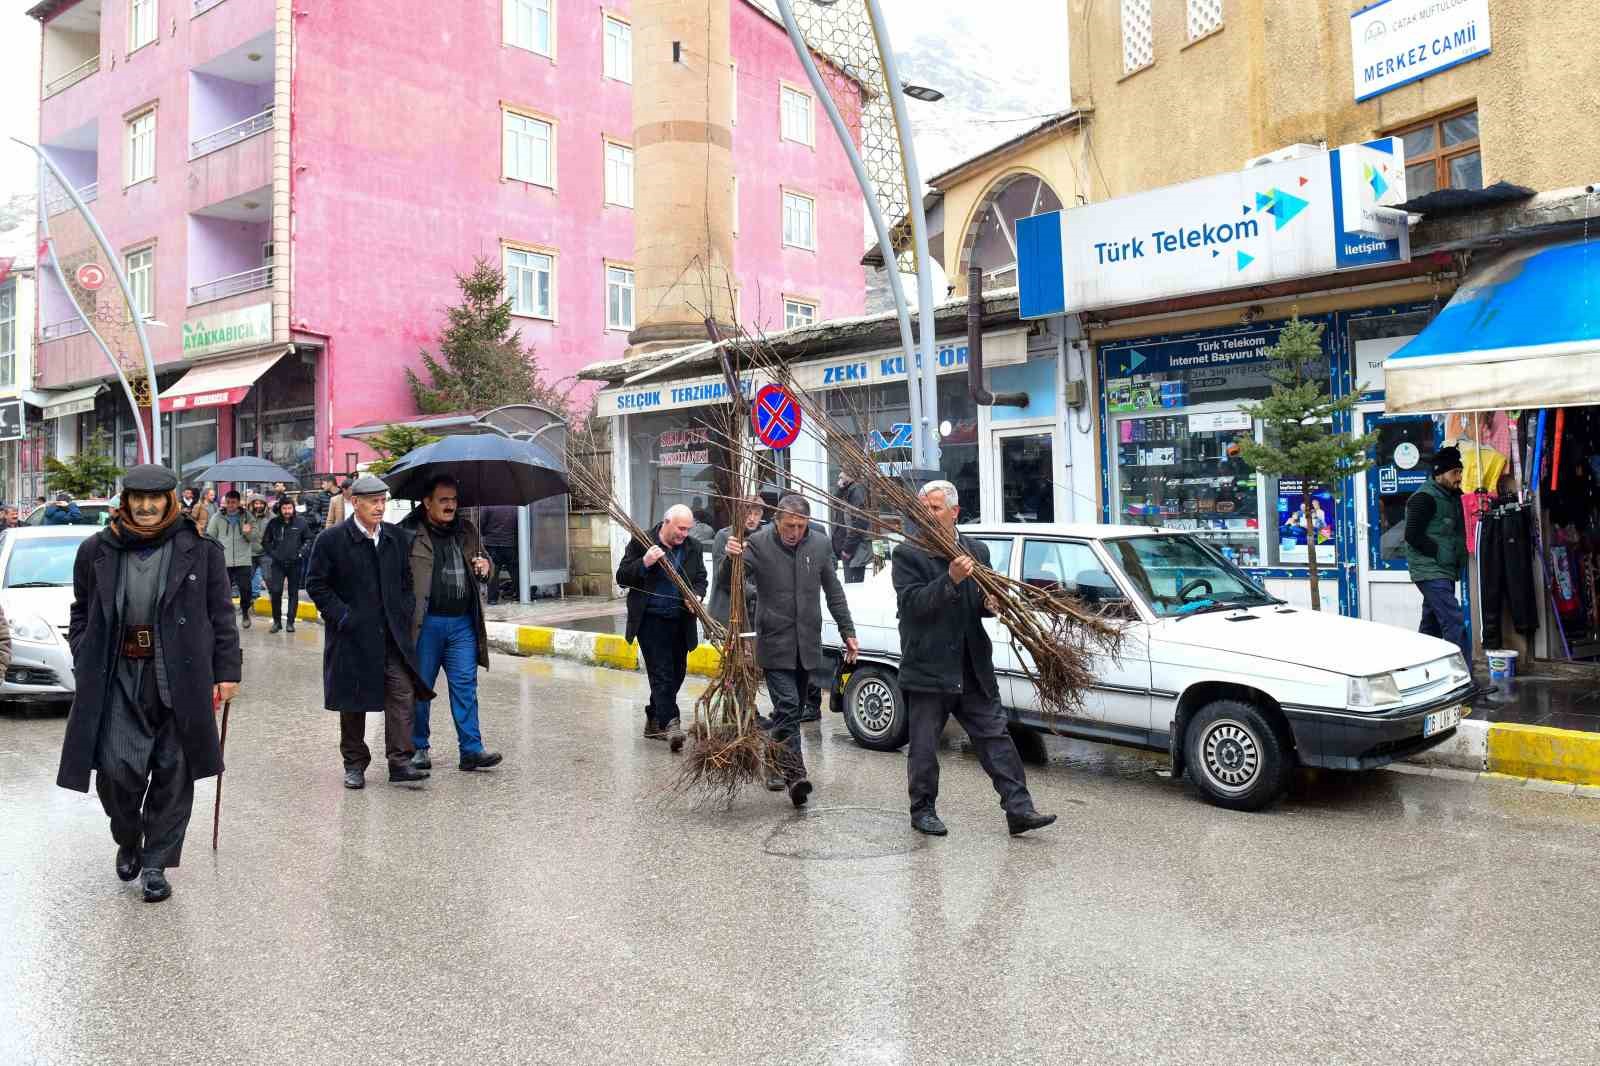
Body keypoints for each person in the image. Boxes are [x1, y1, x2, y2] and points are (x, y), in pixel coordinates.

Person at [56, 465, 241, 903]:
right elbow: (81, 610)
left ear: (169, 500)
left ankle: (156, 863)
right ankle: (128, 835)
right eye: (136, 497)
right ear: (125, 501)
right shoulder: (96, 550)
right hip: (119, 672)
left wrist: (227, 670)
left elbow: (221, 616)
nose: (144, 506)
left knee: (174, 772)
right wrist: (84, 653)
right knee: (117, 771)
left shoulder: (201, 551)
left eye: (153, 498)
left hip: (181, 673)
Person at [891, 480, 1057, 838]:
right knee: (923, 746)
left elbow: (981, 601)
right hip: (929, 664)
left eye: (935, 508)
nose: (928, 514)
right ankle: (922, 810)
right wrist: (949, 579)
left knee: (995, 736)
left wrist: (990, 606)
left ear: (954, 513)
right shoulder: (909, 554)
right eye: (923, 508)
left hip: (970, 663)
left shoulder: (977, 551)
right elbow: (912, 607)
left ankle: (1019, 809)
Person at [722, 495, 857, 807]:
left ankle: (772, 752)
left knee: (789, 712)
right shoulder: (757, 543)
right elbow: (729, 584)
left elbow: (833, 590)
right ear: (777, 521)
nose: (795, 531)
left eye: (800, 525)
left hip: (806, 641)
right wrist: (731, 559)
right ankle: (796, 775)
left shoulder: (821, 545)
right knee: (789, 704)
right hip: (774, 640)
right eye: (789, 525)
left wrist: (847, 630)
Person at [306, 475, 432, 788]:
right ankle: (354, 764)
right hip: (352, 636)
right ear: (354, 502)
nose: (379, 507)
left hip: (391, 634)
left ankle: (400, 761)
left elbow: (406, 581)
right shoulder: (332, 540)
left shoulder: (394, 537)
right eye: (373, 501)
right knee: (353, 701)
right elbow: (316, 584)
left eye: (382, 501)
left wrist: (403, 612)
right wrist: (343, 616)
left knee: (402, 692)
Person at [401, 476, 503, 772]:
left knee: (465, 687)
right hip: (425, 624)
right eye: (443, 500)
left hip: (462, 624)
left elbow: (486, 564)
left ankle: (471, 749)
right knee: (421, 689)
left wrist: (486, 568)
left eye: (454, 500)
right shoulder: (408, 532)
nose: (450, 506)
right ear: (427, 502)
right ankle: (418, 748)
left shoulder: (467, 530)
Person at [616, 504, 707, 750]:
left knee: (677, 673)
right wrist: (645, 562)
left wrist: (696, 596)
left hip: (680, 619)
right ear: (666, 523)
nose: (684, 534)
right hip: (650, 619)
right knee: (661, 674)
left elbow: (700, 578)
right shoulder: (641, 541)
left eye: (688, 529)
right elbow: (622, 576)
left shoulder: (693, 547)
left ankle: (654, 717)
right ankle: (671, 724)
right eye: (680, 528)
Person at [1404, 446, 1474, 670]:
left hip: (1444, 569)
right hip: (1429, 570)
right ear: (1439, 473)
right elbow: (1412, 535)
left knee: (1430, 628)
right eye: (1455, 472)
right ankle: (1466, 678)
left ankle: (1417, 671)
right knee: (1454, 622)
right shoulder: (1424, 498)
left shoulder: (1454, 496)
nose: (1459, 478)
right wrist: (1440, 553)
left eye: (1460, 472)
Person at [709, 497, 764, 628]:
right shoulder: (725, 536)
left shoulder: (764, 538)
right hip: (726, 612)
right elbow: (722, 578)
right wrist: (757, 592)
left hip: (753, 614)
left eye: (756, 514)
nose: (752, 518)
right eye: (748, 513)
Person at [206, 490, 257, 629]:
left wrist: (248, 533)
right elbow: (210, 537)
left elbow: (254, 538)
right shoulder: (218, 516)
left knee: (246, 589)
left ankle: (245, 611)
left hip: (243, 560)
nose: (230, 505)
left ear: (239, 502)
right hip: (224, 560)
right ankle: (225, 616)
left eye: (233, 502)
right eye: (228, 502)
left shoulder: (247, 516)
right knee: (223, 590)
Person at [262, 496, 312, 632]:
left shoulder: (301, 523)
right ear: (280, 509)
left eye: (289, 508)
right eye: (284, 508)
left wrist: (300, 553)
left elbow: (308, 540)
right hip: (277, 564)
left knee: (293, 593)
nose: (287, 511)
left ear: (293, 508)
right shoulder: (273, 523)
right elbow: (265, 542)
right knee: (276, 591)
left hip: (295, 563)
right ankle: (277, 622)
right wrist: (273, 554)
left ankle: (290, 622)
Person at [831, 467, 873, 583]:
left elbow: (860, 523)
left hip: (854, 551)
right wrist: (840, 487)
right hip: (848, 550)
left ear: (850, 475)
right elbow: (834, 502)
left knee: (853, 587)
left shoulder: (857, 491)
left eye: (843, 472)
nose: (839, 475)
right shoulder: (848, 490)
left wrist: (847, 550)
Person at [477, 505, 519, 605]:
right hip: (510, 544)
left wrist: (486, 534)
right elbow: (518, 524)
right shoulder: (514, 506)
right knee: (515, 571)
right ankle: (521, 594)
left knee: (493, 573)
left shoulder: (488, 505)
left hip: (491, 544)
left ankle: (492, 599)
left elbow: (480, 524)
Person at [247, 494, 270, 601]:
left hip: (265, 553)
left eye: (261, 503)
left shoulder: (271, 517)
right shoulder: (245, 516)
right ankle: (247, 603)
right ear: (251, 504)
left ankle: (274, 601)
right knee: (246, 580)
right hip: (249, 553)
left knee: (269, 578)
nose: (258, 505)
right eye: (256, 503)